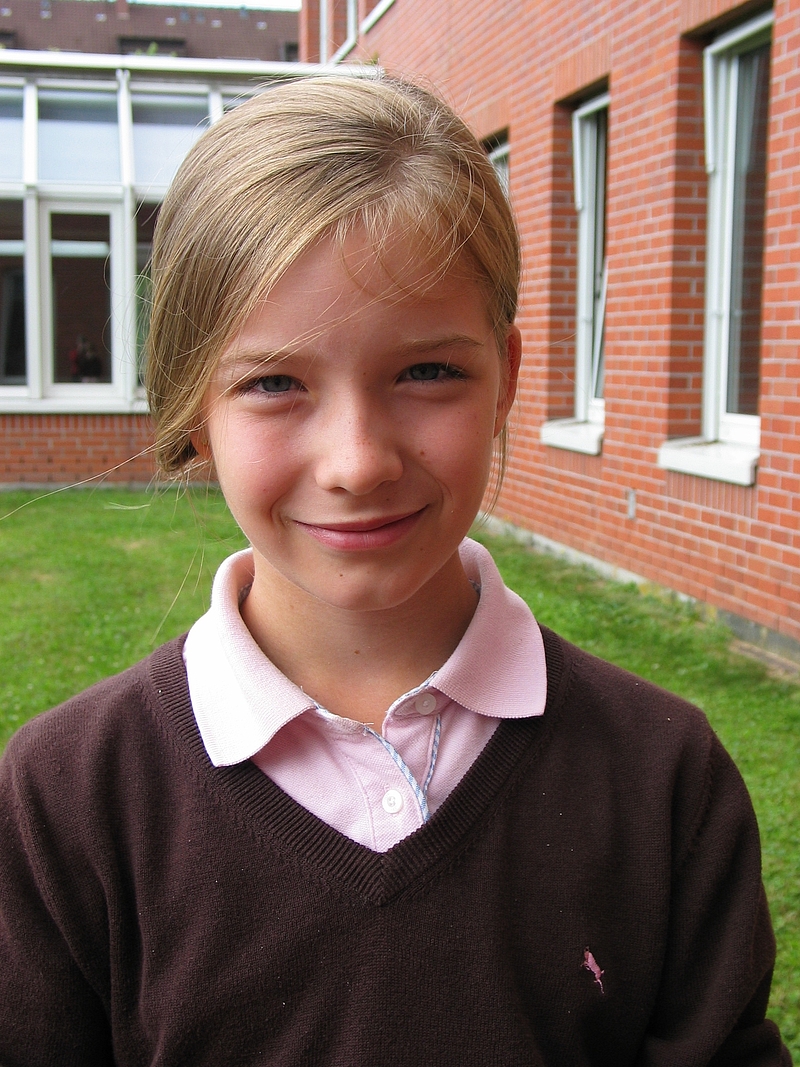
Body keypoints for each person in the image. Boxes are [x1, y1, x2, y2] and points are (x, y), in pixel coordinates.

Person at [0, 75, 790, 1066]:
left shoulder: (663, 776)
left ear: (504, 378)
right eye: (275, 382)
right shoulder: (66, 800)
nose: (358, 461)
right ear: (195, 411)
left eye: (426, 372)